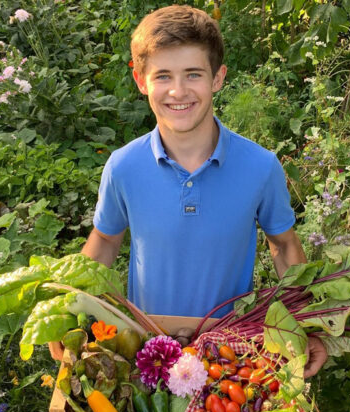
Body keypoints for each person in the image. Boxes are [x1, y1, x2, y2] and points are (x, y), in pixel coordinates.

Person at [49, 5, 327, 380]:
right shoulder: (123, 166)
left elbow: (284, 246)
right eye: (163, 75)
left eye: (193, 74)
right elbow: (105, 241)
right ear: (140, 80)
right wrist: (69, 313)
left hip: (230, 356)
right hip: (145, 351)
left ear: (218, 78)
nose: (178, 91)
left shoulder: (260, 167)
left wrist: (307, 324)